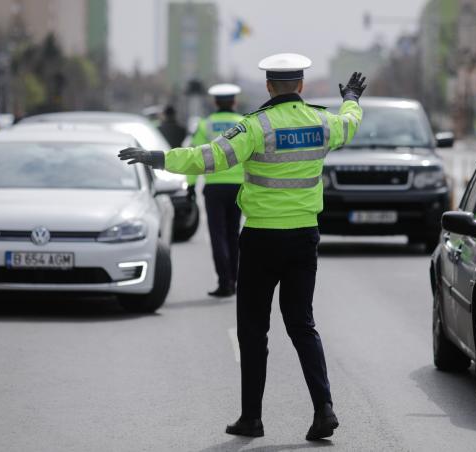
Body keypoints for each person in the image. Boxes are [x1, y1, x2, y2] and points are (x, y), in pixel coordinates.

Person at [119, 53, 366, 441]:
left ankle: (252, 418)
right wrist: (351, 96)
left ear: (269, 86)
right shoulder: (323, 122)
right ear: (300, 86)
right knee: (302, 325)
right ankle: (324, 409)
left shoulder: (255, 126)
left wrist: (158, 158)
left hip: (262, 240)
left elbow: (209, 158)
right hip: (304, 238)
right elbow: (350, 123)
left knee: (253, 331)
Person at [188, 83, 245, 297]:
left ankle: (225, 283)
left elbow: (195, 157)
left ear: (215, 102)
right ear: (234, 101)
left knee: (218, 236)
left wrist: (191, 185)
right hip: (238, 187)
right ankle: (236, 280)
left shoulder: (205, 125)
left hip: (214, 187)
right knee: (234, 234)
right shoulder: (242, 124)